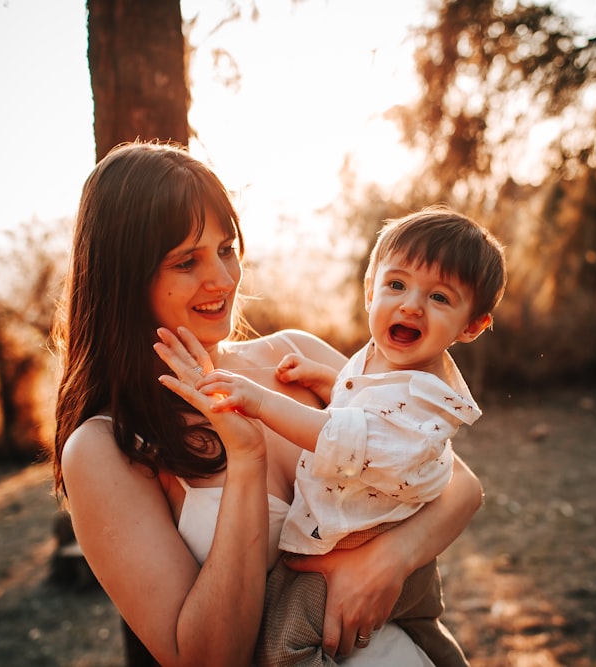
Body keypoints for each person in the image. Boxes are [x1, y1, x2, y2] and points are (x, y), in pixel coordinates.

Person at [51, 141, 485, 666]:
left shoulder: (293, 356)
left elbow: (458, 483)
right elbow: (207, 660)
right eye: (187, 261)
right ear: (124, 276)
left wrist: (383, 563)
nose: (224, 279)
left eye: (227, 248)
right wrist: (247, 459)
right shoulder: (104, 448)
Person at [178, 207, 506, 666]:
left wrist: (259, 401)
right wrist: (326, 378)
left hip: (358, 543)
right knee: (426, 630)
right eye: (397, 285)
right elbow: (367, 407)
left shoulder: (427, 394)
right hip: (390, 552)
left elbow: (346, 437)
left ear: (471, 326)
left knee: (281, 645)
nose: (411, 304)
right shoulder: (383, 364)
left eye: (439, 298)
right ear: (370, 289)